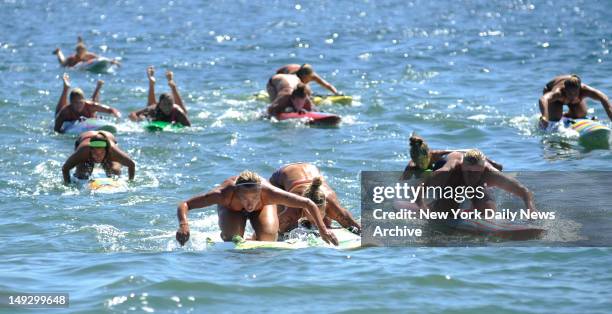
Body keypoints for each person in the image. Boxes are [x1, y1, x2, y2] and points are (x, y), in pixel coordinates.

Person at [175, 170, 339, 246]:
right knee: (232, 239)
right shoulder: (223, 194)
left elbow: (308, 203)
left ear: (261, 192)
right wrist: (183, 224)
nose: (250, 203)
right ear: (236, 192)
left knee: (268, 237)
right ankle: (232, 233)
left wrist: (323, 229)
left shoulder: (270, 193)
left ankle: (254, 238)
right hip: (232, 209)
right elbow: (185, 204)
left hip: (264, 208)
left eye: (254, 197)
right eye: (244, 198)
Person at [416, 149, 536, 215]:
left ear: (483, 169)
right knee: (445, 211)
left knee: (488, 213)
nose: (472, 176)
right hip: (450, 170)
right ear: (462, 166)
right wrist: (421, 205)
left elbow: (524, 192)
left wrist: (530, 208)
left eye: (476, 172)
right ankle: (436, 204)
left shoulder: (489, 173)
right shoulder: (450, 169)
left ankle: (473, 207)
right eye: (468, 172)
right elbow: (422, 185)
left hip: (477, 163)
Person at [269, 163, 361, 235]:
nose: (316, 218)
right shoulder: (293, 208)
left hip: (310, 169)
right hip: (279, 179)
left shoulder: (333, 207)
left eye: (319, 214)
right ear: (304, 208)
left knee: (327, 223)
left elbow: (359, 229)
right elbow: (276, 232)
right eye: (312, 214)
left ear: (326, 207)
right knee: (288, 226)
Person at [401, 133, 503, 180]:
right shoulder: (411, 167)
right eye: (417, 161)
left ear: (428, 153)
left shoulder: (436, 155)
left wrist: (492, 163)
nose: (421, 164)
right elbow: (401, 185)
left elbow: (469, 151)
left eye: (423, 160)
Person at [54, 73, 122, 133]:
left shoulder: (89, 105)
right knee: (58, 112)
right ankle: (66, 89)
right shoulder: (65, 111)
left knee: (94, 106)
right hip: (70, 122)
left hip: (89, 118)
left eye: (80, 102)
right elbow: (57, 129)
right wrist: (63, 132)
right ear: (71, 103)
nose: (78, 105)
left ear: (84, 100)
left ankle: (98, 88)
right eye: (75, 103)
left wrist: (117, 115)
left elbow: (111, 110)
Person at [539, 74, 612, 129]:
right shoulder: (558, 93)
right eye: (570, 93)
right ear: (564, 90)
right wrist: (544, 117)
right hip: (550, 89)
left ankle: (565, 116)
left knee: (581, 114)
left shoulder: (584, 90)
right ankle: (554, 115)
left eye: (575, 93)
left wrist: (610, 115)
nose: (572, 96)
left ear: (580, 89)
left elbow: (603, 98)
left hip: (572, 87)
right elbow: (543, 99)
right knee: (555, 119)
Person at [61, 130, 135, 184]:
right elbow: (65, 168)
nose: (98, 156)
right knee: (82, 173)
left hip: (108, 136)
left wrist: (130, 182)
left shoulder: (112, 151)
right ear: (90, 150)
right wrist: (68, 185)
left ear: (106, 150)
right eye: (95, 153)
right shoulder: (84, 151)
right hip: (84, 137)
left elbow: (131, 164)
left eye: (101, 153)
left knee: (114, 171)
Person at [52, 36, 120, 68]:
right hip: (68, 62)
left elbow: (101, 58)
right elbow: (68, 66)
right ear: (77, 52)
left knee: (81, 46)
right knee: (62, 62)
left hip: (83, 63)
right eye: (79, 52)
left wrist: (112, 61)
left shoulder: (88, 55)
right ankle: (58, 52)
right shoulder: (72, 58)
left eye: (82, 51)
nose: (81, 53)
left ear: (85, 51)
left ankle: (80, 42)